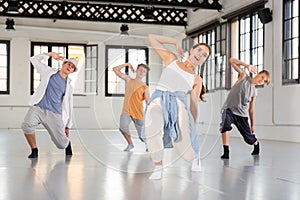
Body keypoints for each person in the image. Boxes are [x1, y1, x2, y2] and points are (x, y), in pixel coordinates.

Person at [143, 34, 211, 180]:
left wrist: (193, 123)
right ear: (192, 50)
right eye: (199, 50)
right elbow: (152, 37)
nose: (200, 55)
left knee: (183, 142)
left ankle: (194, 157)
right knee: (152, 128)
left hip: (178, 105)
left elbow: (194, 104)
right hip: (158, 100)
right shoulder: (171, 59)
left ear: (204, 61)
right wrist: (175, 42)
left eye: (205, 55)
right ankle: (158, 166)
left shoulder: (197, 79)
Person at [22, 52, 78, 159]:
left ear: (72, 71)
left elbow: (69, 105)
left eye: (72, 67)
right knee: (27, 126)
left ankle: (67, 144)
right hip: (38, 107)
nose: (69, 67)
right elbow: (34, 59)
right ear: (63, 64)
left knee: (61, 144)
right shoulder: (48, 72)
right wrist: (50, 54)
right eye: (68, 64)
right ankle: (34, 149)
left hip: (54, 113)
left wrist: (68, 125)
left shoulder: (69, 87)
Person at [220, 57, 271, 159]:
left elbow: (251, 110)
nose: (261, 80)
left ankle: (256, 143)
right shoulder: (244, 76)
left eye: (264, 81)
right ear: (258, 73)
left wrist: (252, 125)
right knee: (225, 125)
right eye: (262, 77)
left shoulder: (254, 92)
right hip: (229, 109)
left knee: (248, 139)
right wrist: (247, 66)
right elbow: (231, 60)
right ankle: (226, 151)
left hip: (242, 116)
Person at [113, 63, 150, 151]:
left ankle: (149, 145)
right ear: (136, 71)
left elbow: (148, 101)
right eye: (140, 70)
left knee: (142, 136)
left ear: (145, 74)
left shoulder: (145, 87)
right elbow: (115, 69)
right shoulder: (129, 80)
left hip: (138, 113)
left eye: (144, 71)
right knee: (123, 127)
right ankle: (130, 144)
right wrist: (127, 64)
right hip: (126, 111)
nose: (142, 72)